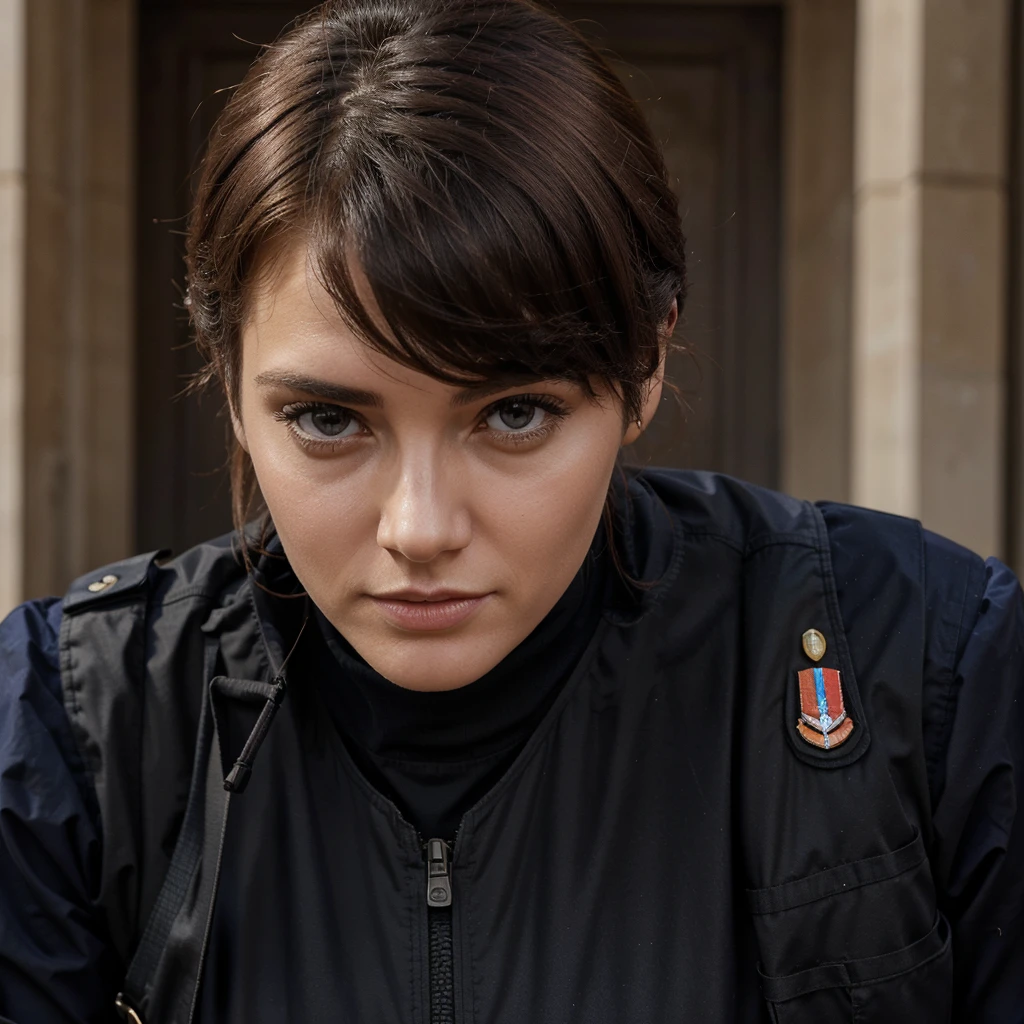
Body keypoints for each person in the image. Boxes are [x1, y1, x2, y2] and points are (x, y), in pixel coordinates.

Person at [1, 0, 1022, 1021]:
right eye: (326, 419)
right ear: (227, 380)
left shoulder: (927, 676)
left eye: (515, 413)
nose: (420, 525)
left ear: (647, 361)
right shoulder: (68, 734)